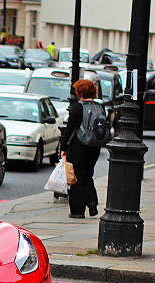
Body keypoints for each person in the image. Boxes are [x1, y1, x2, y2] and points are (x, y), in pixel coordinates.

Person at [59, 79, 103, 219]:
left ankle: (77, 211)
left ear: (79, 92)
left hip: (78, 146)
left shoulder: (77, 108)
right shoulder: (100, 107)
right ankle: (92, 202)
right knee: (88, 174)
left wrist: (63, 147)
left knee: (76, 178)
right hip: (94, 147)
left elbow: (70, 129)